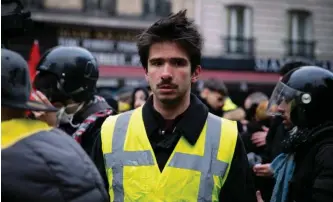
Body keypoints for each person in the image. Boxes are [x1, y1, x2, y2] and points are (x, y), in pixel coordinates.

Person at [98, 10, 256, 201]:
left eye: (178, 63)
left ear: (195, 73)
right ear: (146, 73)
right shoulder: (110, 132)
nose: (166, 73)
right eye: (157, 63)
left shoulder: (227, 138)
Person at [1, 48, 108, 202]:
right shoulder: (36, 123)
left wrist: (50, 132)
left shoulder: (102, 128)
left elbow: (79, 178)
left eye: (55, 103)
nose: (44, 105)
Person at [258, 66, 333, 202]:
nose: (280, 108)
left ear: (309, 105)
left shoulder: (328, 152)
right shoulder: (304, 143)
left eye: (287, 100)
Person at [33, 46, 114, 157]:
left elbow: (80, 168)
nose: (45, 96)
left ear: (74, 86)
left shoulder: (103, 128)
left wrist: (52, 130)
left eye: (51, 85)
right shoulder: (40, 119)